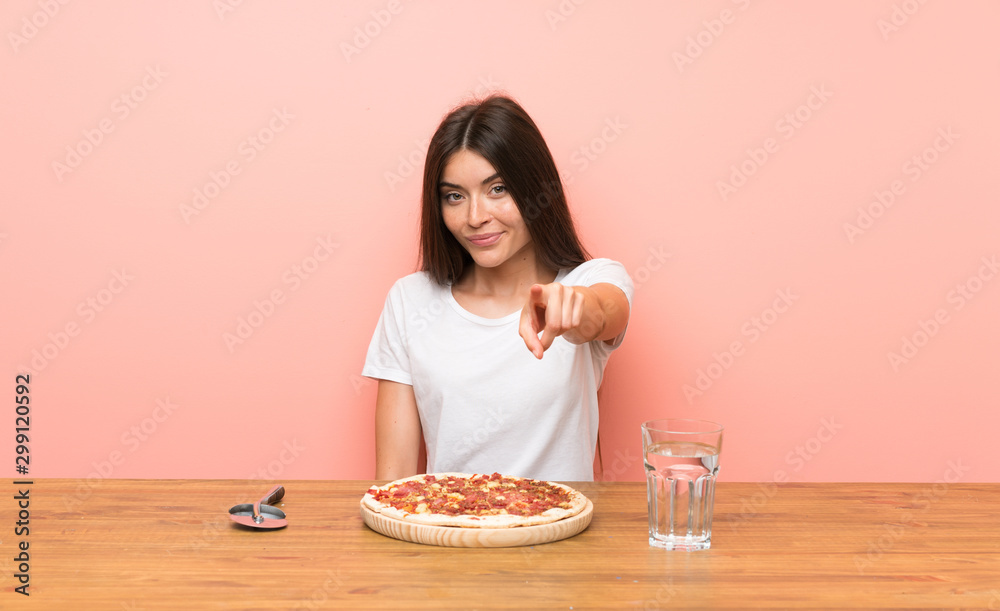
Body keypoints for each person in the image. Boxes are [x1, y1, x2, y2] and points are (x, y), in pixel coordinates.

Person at [363, 95, 633, 482]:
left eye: (498, 189)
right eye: (454, 196)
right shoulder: (410, 301)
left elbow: (605, 313)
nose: (475, 218)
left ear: (536, 188)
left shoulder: (587, 281)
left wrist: (577, 308)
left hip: (563, 538)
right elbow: (393, 484)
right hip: (448, 534)